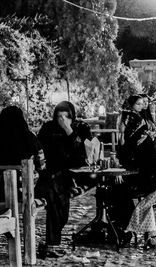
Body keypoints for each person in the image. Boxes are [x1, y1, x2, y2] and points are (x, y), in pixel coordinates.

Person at [35, 101, 91, 258]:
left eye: (65, 116)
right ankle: (51, 244)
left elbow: (83, 152)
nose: (61, 119)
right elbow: (38, 149)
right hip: (50, 176)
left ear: (72, 116)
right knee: (54, 200)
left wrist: (68, 130)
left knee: (62, 211)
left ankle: (51, 244)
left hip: (73, 176)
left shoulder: (80, 128)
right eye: (58, 116)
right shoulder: (48, 128)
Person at [114, 95, 156, 247]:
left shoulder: (137, 137)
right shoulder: (137, 133)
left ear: (127, 123)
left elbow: (128, 159)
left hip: (150, 180)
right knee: (116, 188)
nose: (119, 125)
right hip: (149, 176)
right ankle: (126, 228)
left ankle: (125, 229)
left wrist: (119, 171)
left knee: (117, 190)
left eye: (121, 122)